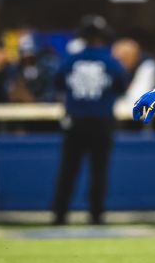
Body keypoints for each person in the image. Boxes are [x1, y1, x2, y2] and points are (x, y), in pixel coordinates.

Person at [51, 16, 127, 226]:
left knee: (68, 169)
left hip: (75, 121)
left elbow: (58, 83)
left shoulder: (70, 60)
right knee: (99, 170)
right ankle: (96, 214)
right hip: (101, 121)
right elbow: (121, 86)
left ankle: (60, 214)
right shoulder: (111, 62)